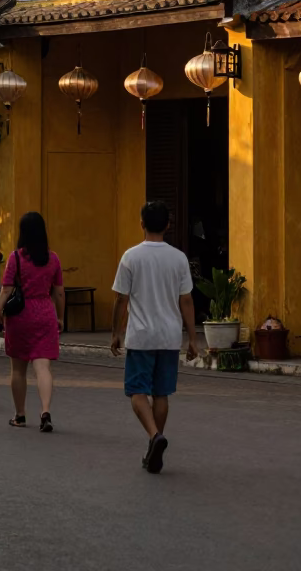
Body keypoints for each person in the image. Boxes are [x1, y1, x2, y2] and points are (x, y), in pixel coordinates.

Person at [111, 199, 199, 474]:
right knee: (161, 393)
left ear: (142, 224)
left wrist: (116, 332)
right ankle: (155, 442)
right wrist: (193, 338)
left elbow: (121, 300)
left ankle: (154, 437)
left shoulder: (131, 257)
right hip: (170, 337)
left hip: (141, 337)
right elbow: (186, 301)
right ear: (168, 225)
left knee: (137, 392)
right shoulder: (179, 258)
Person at [0, 211, 64, 431]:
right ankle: (45, 410)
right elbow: (59, 292)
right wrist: (59, 317)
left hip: (20, 316)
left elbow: (6, 289)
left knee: (18, 369)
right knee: (43, 367)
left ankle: (20, 415)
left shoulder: (16, 258)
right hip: (44, 313)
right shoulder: (53, 259)